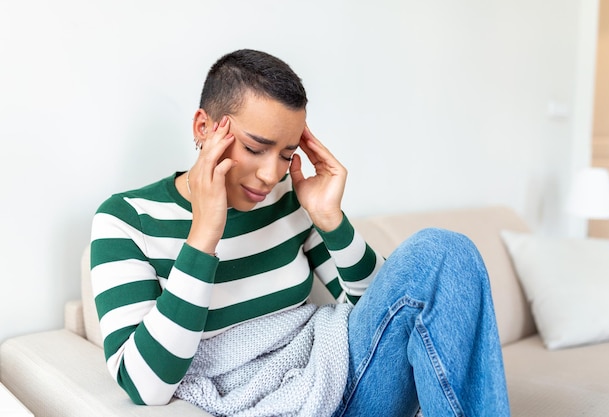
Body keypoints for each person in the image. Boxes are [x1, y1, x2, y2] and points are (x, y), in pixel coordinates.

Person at [90, 49, 511, 417]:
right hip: (252, 402)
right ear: (204, 128)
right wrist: (204, 234)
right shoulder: (126, 220)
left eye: (286, 154)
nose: (272, 174)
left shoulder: (289, 200)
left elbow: (385, 310)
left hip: (339, 380)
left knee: (443, 249)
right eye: (255, 148)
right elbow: (144, 387)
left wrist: (329, 218)